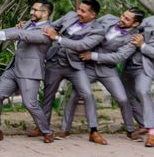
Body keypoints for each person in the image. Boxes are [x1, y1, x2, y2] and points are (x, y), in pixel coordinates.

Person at [94, 8, 154, 148]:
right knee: (128, 96)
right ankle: (143, 124)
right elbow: (136, 26)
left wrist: (143, 45)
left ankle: (153, 133)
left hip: (145, 67)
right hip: (128, 62)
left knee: (143, 91)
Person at [59, 9, 144, 139]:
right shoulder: (108, 18)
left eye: (127, 19)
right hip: (88, 67)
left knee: (123, 99)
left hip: (108, 70)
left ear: (135, 24)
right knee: (75, 95)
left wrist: (92, 55)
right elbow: (89, 26)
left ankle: (130, 130)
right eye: (123, 15)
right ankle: (65, 129)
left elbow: (119, 57)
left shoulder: (133, 38)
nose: (122, 19)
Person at [0, 0, 54, 143]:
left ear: (45, 13)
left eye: (35, 10)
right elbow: (16, 31)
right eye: (31, 9)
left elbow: (21, 35)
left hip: (29, 72)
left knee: (30, 103)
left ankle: (46, 131)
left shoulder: (47, 31)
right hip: (14, 68)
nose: (31, 12)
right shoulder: (29, 24)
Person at [41, 0, 108, 145]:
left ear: (93, 15)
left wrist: (57, 38)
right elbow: (51, 26)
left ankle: (93, 131)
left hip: (75, 66)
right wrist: (33, 26)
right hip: (55, 62)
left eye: (83, 11)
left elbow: (81, 45)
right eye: (79, 8)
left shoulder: (98, 31)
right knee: (48, 96)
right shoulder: (70, 15)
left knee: (87, 94)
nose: (78, 13)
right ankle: (42, 127)